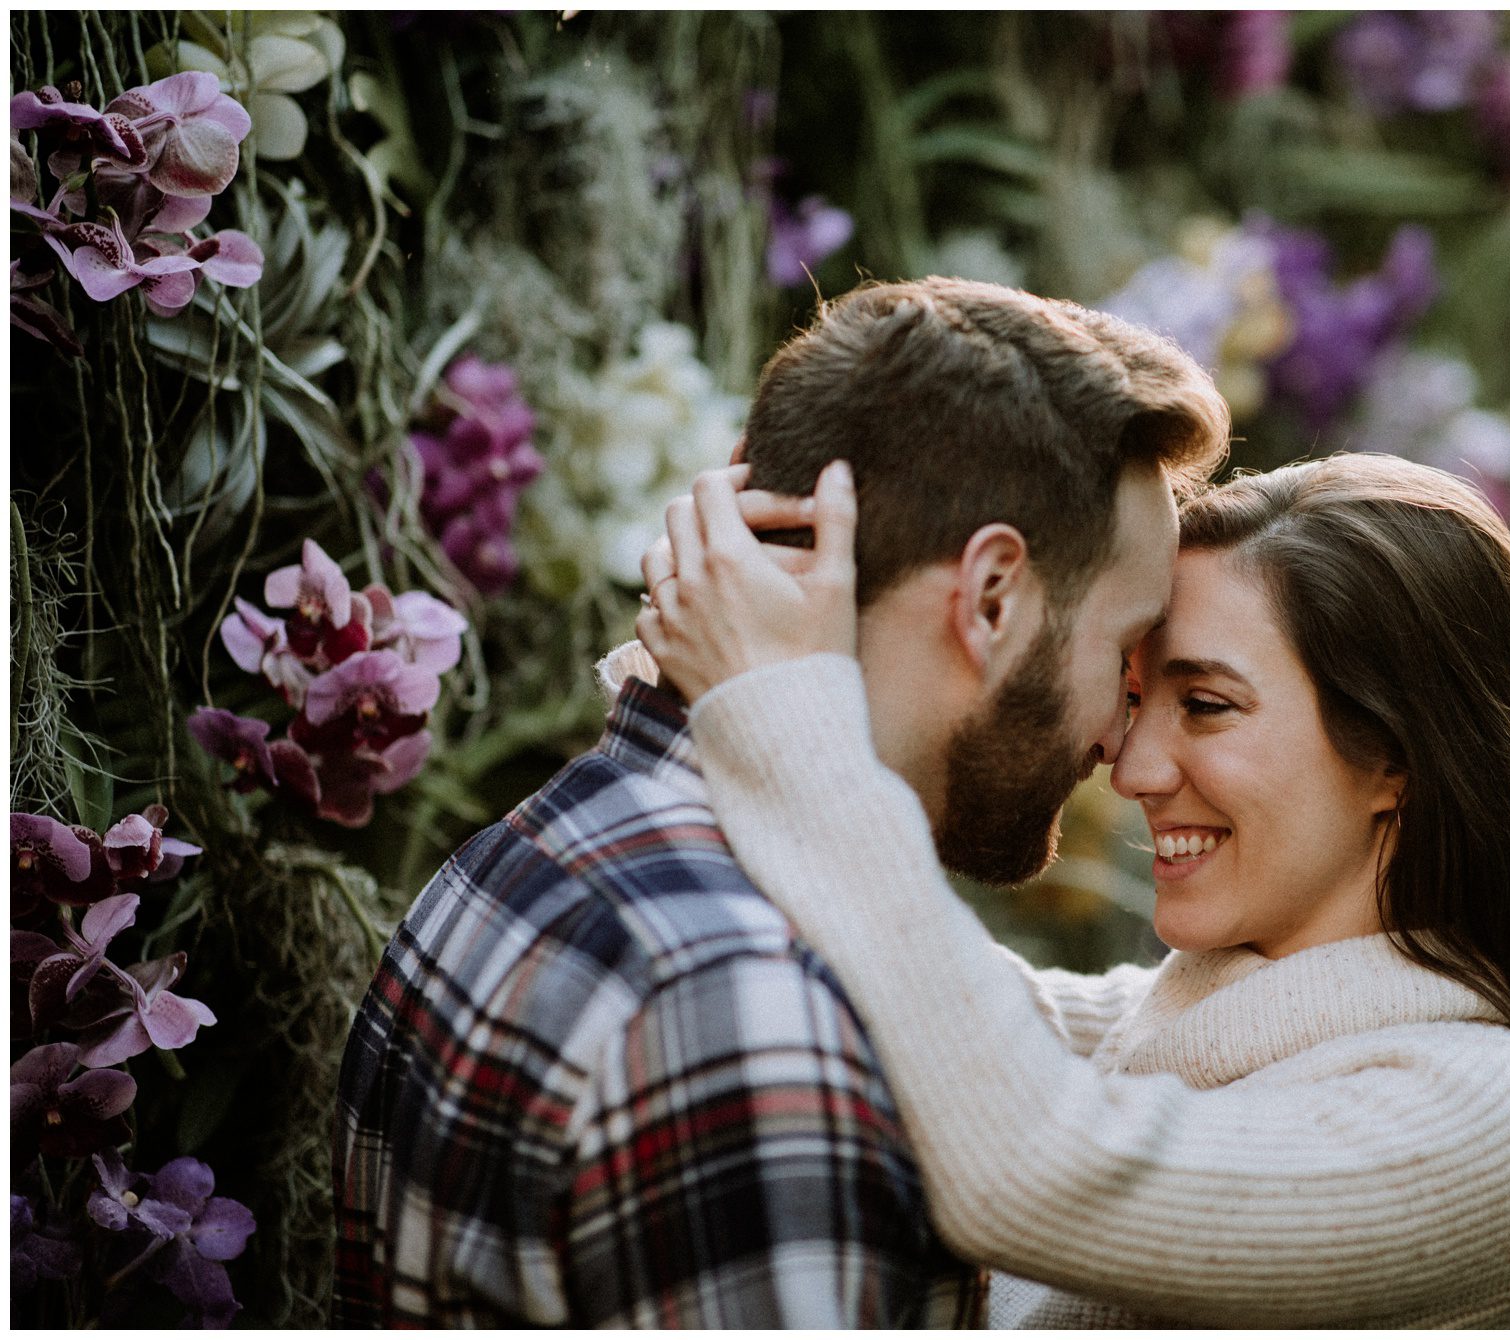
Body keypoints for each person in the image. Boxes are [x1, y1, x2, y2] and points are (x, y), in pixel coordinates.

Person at [329, 277, 1231, 1325]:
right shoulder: (756, 1011)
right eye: (1122, 650)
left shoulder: (521, 850)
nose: (1122, 741)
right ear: (990, 598)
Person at [634, 451, 1510, 1327]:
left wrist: (779, 700)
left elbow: (1023, 1163)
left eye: (1204, 704)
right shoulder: (1174, 1028)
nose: (1132, 765)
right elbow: (869, 980)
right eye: (1137, 694)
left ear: (1395, 759)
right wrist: (744, 613)